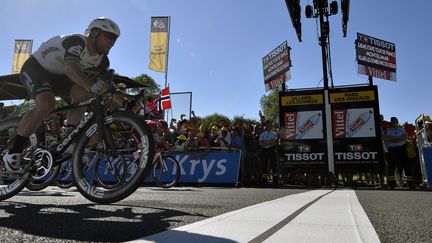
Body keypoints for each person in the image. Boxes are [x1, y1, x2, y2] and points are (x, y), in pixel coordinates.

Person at [3, 17, 123, 173]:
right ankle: (14, 152)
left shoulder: (102, 60)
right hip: (36, 68)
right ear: (94, 33)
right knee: (47, 103)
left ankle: (67, 135)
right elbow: (71, 69)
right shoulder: (77, 42)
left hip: (59, 76)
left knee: (82, 93)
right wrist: (93, 86)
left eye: (116, 39)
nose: (113, 42)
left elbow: (107, 84)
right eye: (110, 36)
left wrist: (116, 95)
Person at [384, 117, 412, 189]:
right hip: (392, 149)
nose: (394, 123)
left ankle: (410, 183)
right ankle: (392, 184)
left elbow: (405, 136)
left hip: (402, 148)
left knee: (406, 165)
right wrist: (398, 139)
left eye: (395, 121)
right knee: (391, 166)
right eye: (393, 122)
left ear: (397, 122)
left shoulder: (401, 129)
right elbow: (386, 138)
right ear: (391, 122)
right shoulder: (388, 130)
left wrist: (393, 138)